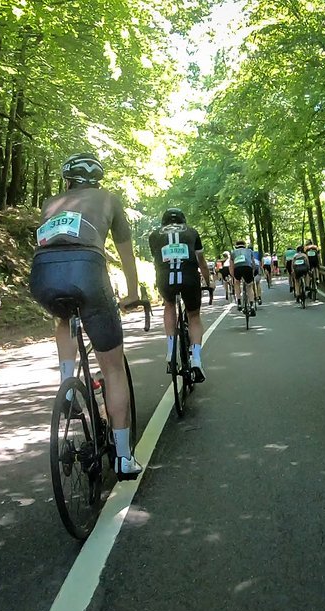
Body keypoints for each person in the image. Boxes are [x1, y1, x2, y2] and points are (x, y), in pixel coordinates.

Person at [29, 152, 144, 479]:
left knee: (63, 317)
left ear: (68, 180)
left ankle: (67, 383)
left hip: (43, 275)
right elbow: (126, 254)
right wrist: (133, 293)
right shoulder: (108, 199)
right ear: (97, 179)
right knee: (113, 369)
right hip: (88, 271)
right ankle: (123, 458)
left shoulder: (51, 203)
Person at [148, 207, 211, 382]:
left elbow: (156, 261)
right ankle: (196, 358)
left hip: (165, 278)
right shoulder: (192, 232)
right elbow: (202, 263)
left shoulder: (154, 235)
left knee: (169, 304)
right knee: (194, 315)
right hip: (190, 278)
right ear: (183, 220)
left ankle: (170, 351)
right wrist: (208, 282)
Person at [228, 240, 258, 313]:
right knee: (249, 286)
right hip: (248, 267)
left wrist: (233, 277)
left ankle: (239, 302)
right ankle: (251, 305)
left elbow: (231, 266)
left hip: (237, 268)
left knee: (237, 283)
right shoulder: (249, 251)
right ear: (244, 245)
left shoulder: (233, 252)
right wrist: (253, 272)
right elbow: (253, 263)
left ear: (236, 246)